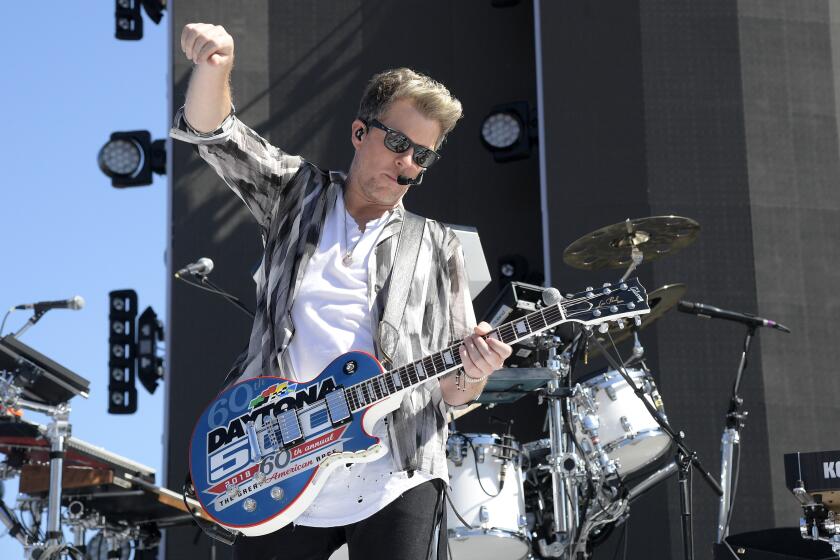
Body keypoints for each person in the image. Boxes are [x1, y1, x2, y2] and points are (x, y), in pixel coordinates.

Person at [171, 22, 512, 560]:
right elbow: (215, 132)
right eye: (398, 142)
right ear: (360, 133)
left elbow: (452, 395)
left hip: (397, 467)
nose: (406, 163)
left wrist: (474, 372)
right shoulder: (297, 195)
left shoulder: (439, 245)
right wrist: (215, 67)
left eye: (422, 156)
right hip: (276, 458)